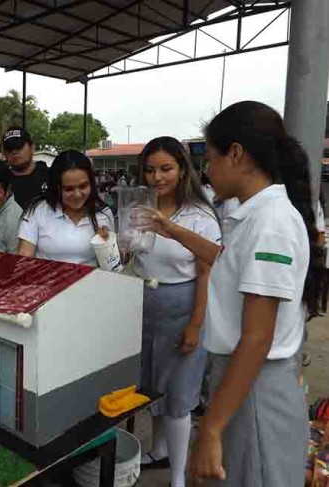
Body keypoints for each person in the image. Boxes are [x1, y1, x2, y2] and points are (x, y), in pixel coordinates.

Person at [148, 101, 320, 487]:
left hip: (257, 384)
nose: (206, 171)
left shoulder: (270, 223)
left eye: (210, 159)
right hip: (244, 378)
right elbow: (228, 262)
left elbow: (257, 337)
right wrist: (171, 229)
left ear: (237, 154)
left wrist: (210, 428)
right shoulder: (252, 216)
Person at [136, 137, 221, 487]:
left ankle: (177, 478)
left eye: (166, 168)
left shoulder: (199, 217)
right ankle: (158, 449)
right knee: (153, 386)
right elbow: (133, 255)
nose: (157, 177)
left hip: (183, 305)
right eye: (151, 169)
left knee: (180, 394)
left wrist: (195, 325)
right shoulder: (140, 207)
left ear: (183, 169)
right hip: (143, 304)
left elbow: (206, 273)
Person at [18, 150, 114, 266]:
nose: (77, 195)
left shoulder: (104, 214)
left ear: (92, 184)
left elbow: (111, 265)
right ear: (56, 187)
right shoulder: (38, 211)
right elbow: (24, 259)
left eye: (83, 186)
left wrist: (106, 245)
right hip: (47, 282)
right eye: (69, 189)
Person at [2, 127, 48, 210]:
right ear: (4, 153)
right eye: (10, 148)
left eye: (19, 147)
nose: (14, 152)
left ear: (32, 148)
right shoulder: (0, 180)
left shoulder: (50, 177)